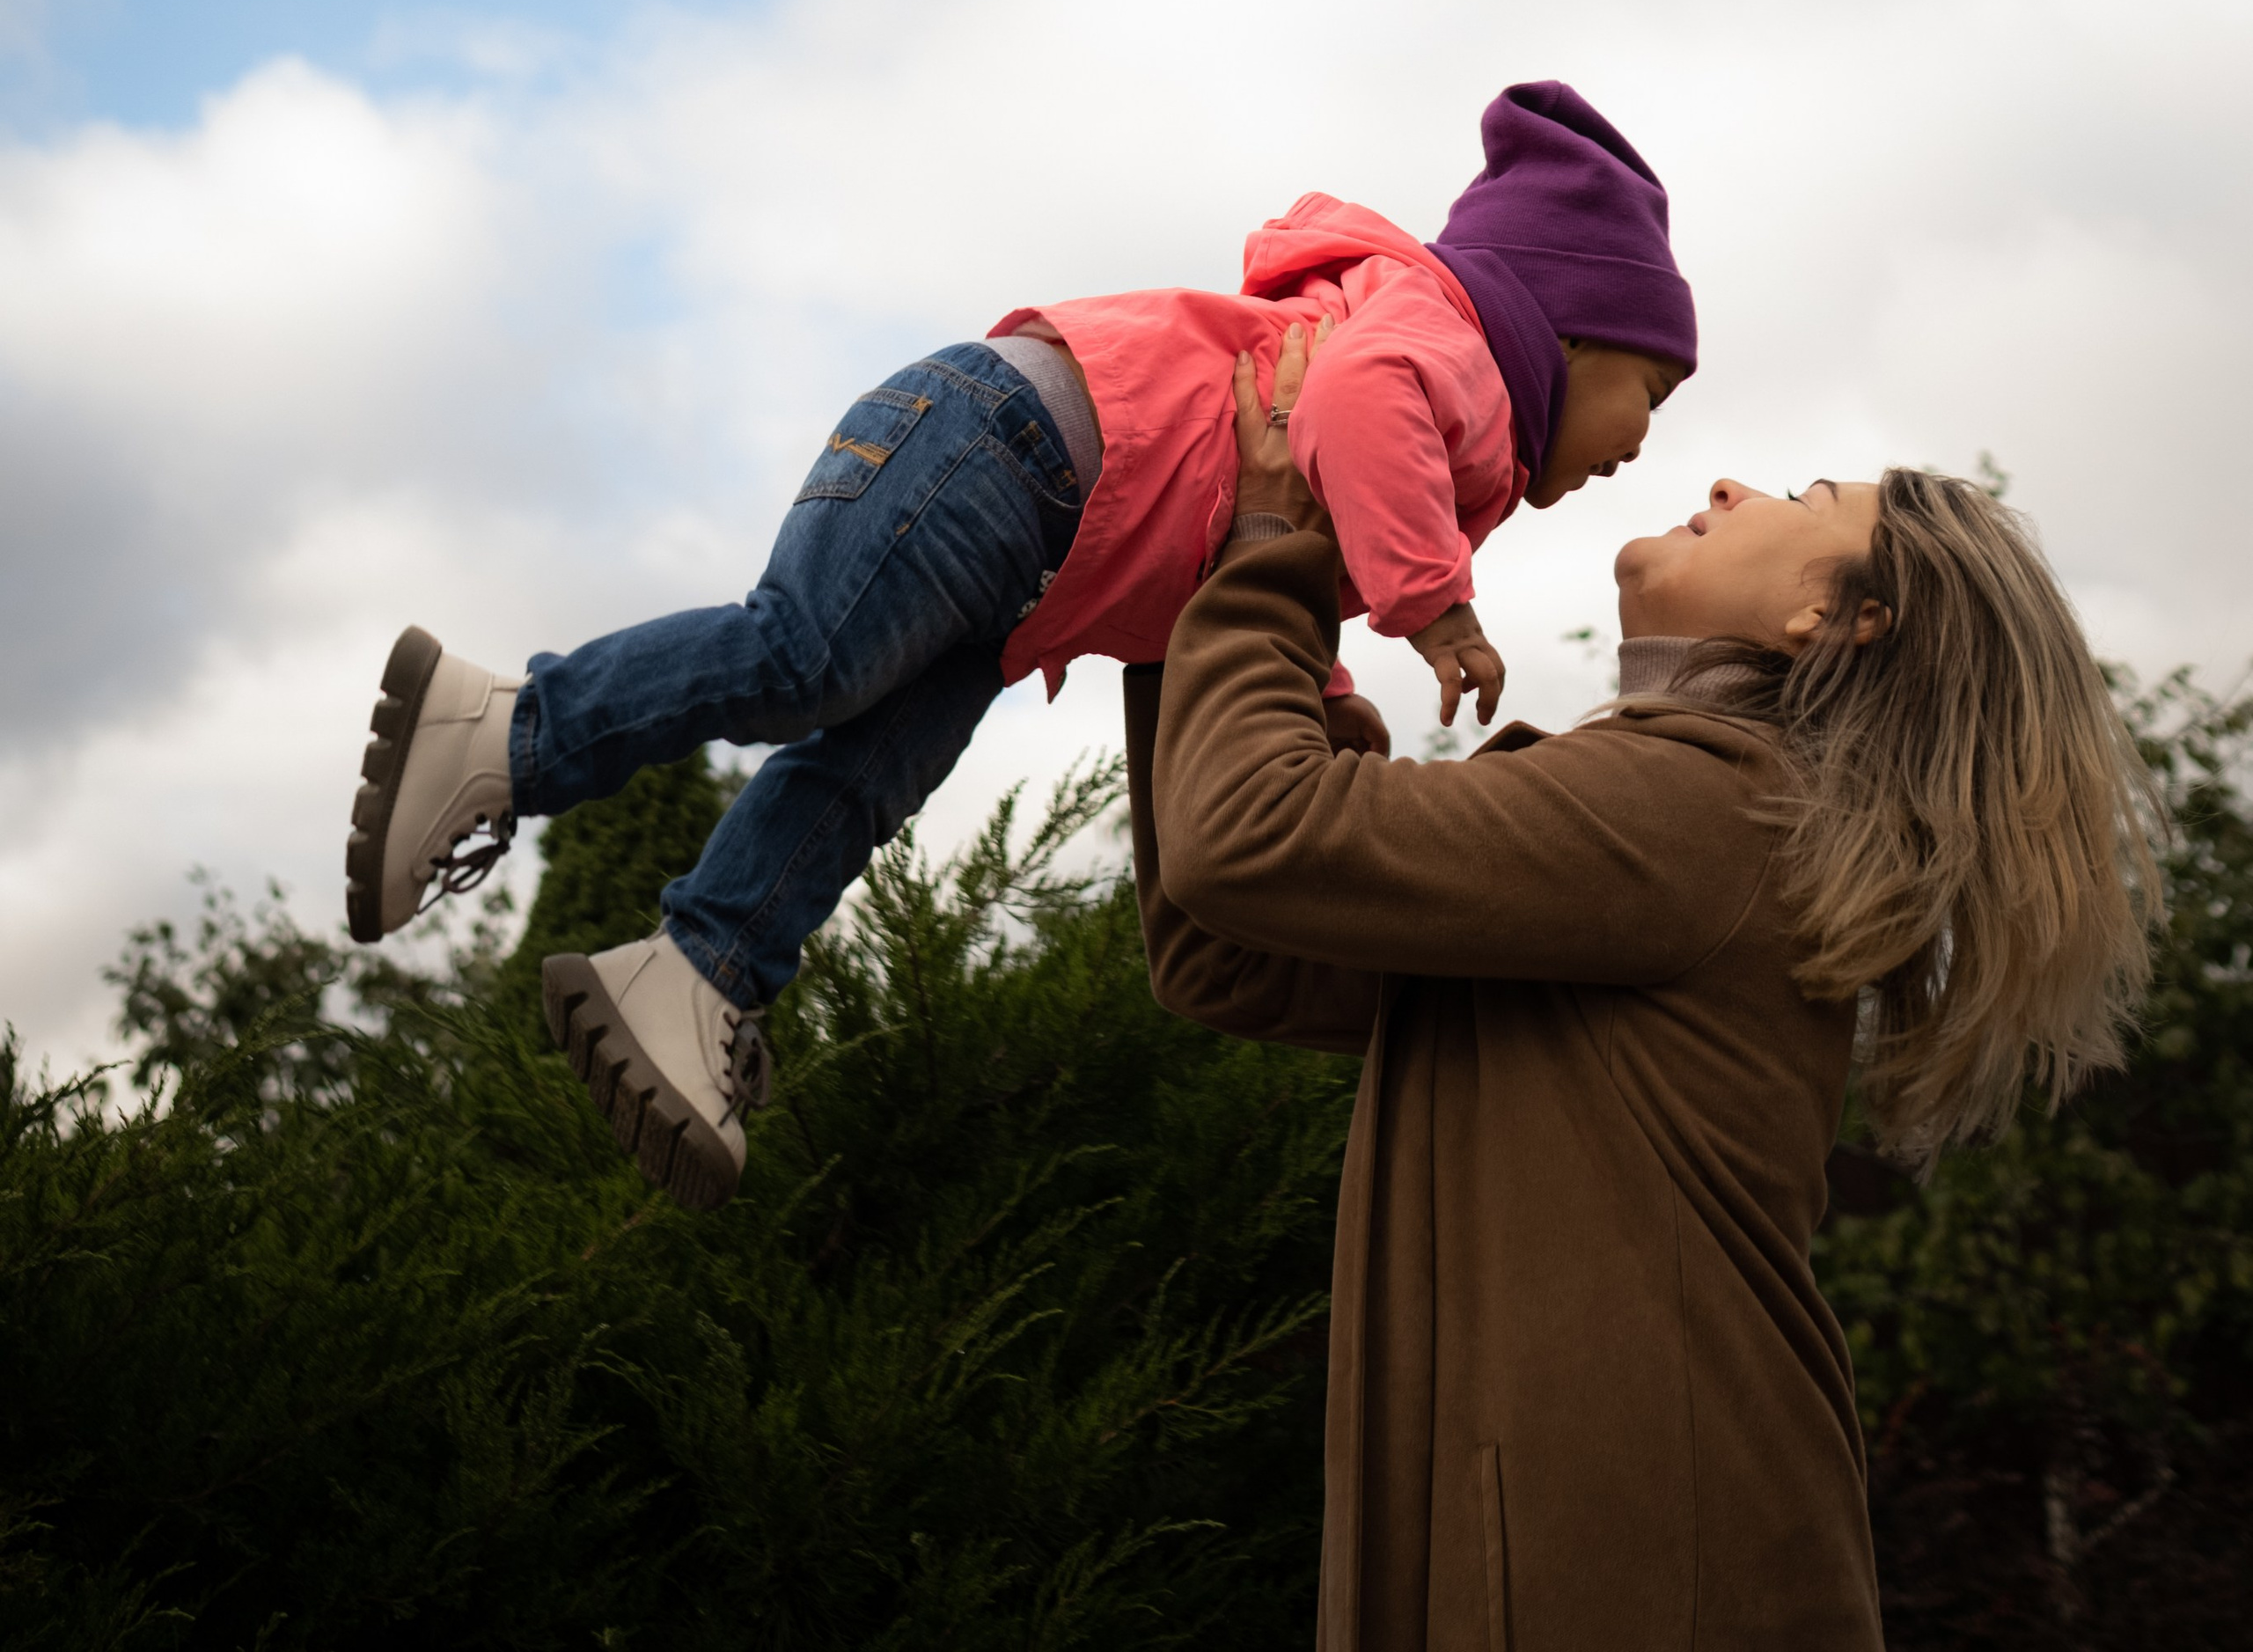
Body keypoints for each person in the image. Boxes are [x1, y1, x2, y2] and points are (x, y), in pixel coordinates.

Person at [342, 81, 1691, 1206]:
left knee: (868, 773)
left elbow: (1263, 550)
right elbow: (1355, 398)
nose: (1643, 441)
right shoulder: (1447, 345)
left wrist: (1320, 699)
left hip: (1039, 534)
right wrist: (1433, 604)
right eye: (1650, 387)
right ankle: (510, 731)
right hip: (1012, 441)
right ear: (1568, 328)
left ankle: (700, 974)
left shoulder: (1451, 425)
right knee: (806, 655)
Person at [1125, 331, 2161, 1650]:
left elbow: (1247, 836)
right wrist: (1198, 569)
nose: (1729, 484)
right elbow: (1232, 944)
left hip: (1642, 1563)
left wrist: (1273, 540)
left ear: (1832, 618)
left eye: (1801, 500)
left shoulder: (1713, 801)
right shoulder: (1697, 811)